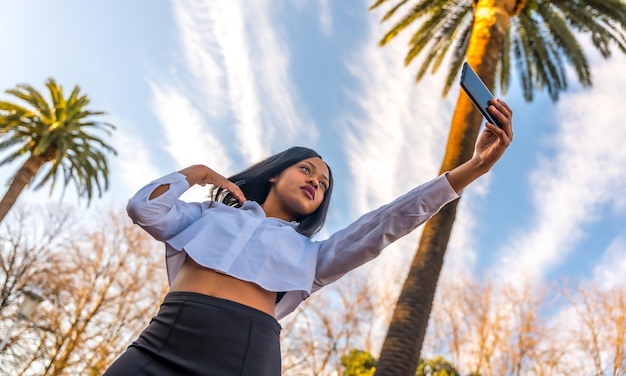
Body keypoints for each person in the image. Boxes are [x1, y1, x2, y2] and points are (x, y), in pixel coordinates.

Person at [103, 99, 513, 376]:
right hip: (162, 338)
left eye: (324, 183)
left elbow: (389, 221)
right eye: (307, 170)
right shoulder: (206, 215)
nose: (316, 182)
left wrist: (473, 167)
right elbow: (145, 208)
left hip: (245, 356)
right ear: (277, 172)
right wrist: (200, 173)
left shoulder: (312, 256)